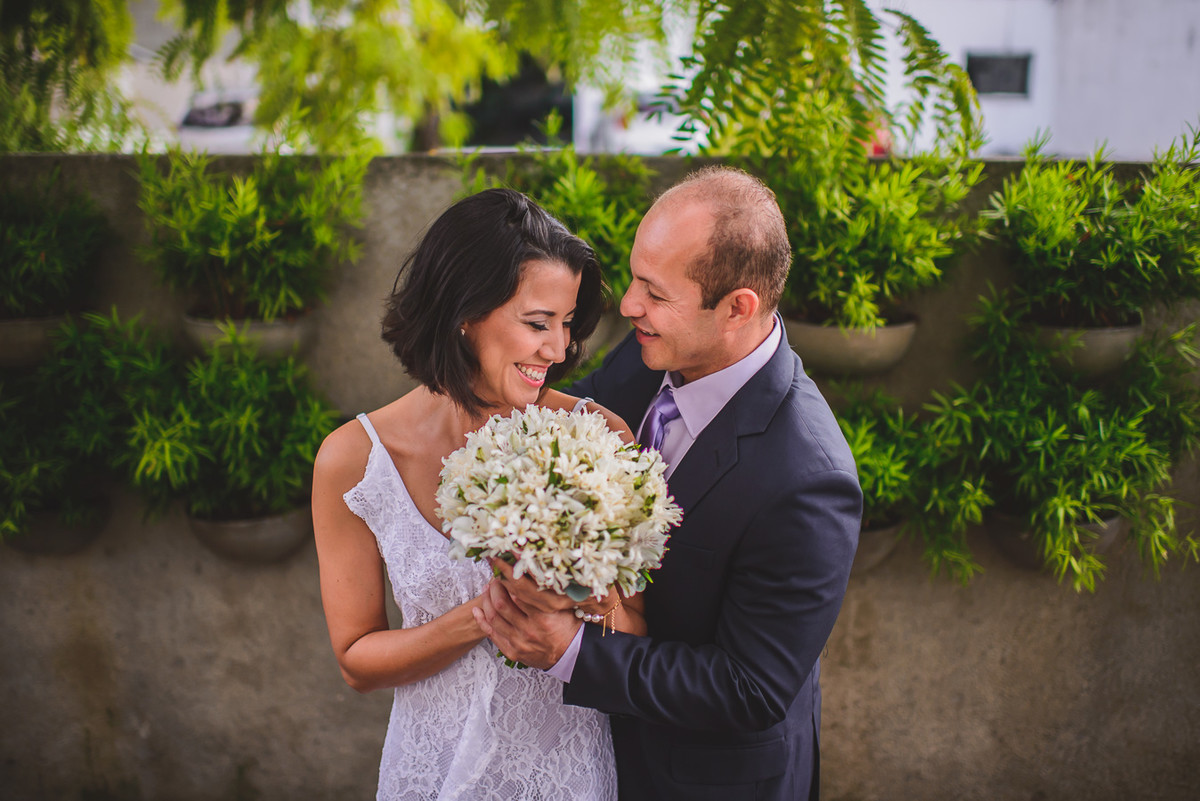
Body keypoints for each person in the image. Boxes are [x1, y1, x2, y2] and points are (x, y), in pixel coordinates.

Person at [474, 166, 863, 801]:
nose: (629, 306)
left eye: (654, 293)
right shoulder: (655, 348)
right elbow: (557, 438)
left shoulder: (810, 479)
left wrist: (571, 651)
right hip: (589, 759)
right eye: (634, 279)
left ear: (738, 308)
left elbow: (750, 687)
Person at [311, 188, 641, 800]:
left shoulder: (598, 439)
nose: (559, 349)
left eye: (566, 325)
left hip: (564, 775)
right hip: (428, 773)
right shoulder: (353, 461)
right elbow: (357, 659)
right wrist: (483, 616)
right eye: (538, 323)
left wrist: (583, 602)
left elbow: (644, 630)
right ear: (465, 314)